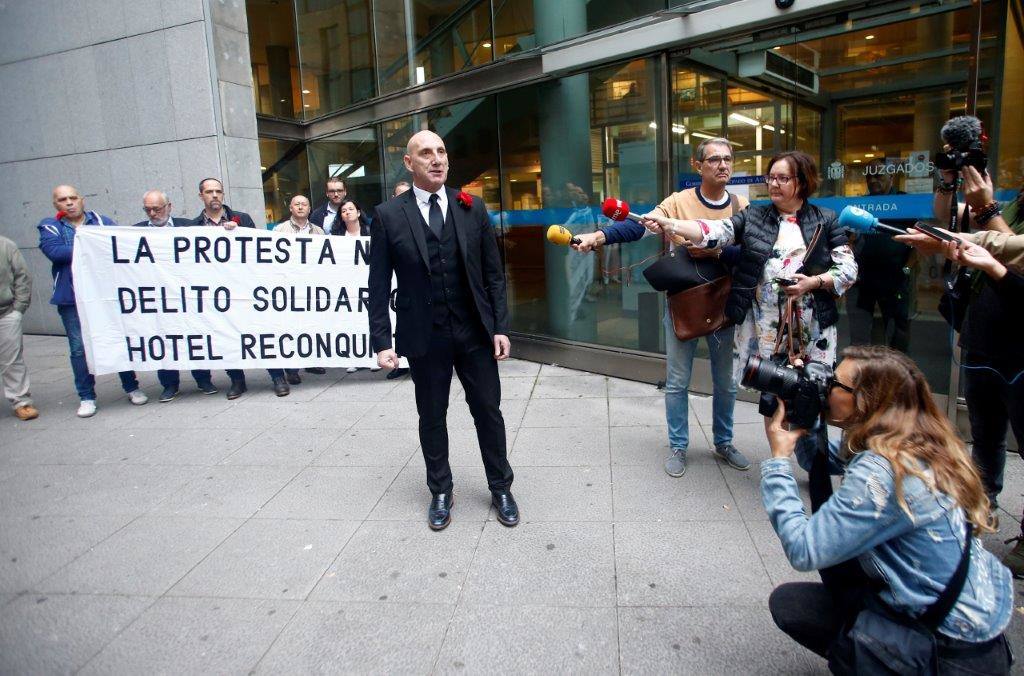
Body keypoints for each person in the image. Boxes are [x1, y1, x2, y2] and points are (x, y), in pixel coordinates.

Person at [762, 345, 1013, 673]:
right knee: (796, 604)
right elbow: (818, 461)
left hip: (952, 652)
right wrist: (808, 414)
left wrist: (778, 461)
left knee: (792, 606)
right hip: (976, 628)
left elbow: (803, 548)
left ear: (866, 400)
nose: (826, 386)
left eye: (834, 383)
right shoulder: (918, 442)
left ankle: (892, 661)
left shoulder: (887, 470)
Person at [572, 137, 750, 476]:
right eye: (714, 159)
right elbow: (638, 227)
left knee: (725, 381)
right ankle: (679, 446)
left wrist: (712, 250)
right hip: (685, 301)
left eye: (728, 158)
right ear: (699, 166)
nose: (723, 165)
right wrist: (597, 237)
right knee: (677, 379)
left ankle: (724, 442)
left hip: (723, 302)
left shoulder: (741, 205)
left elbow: (750, 252)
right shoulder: (679, 201)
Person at [368, 130, 518, 531]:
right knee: (431, 415)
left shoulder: (472, 207)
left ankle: (501, 486)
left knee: (488, 410)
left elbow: (493, 275)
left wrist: (500, 326)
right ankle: (440, 490)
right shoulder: (387, 215)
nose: (436, 159)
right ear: (409, 162)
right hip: (425, 335)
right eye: (426, 153)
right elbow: (378, 285)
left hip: (474, 332)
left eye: (441, 152)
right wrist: (382, 342)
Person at [641, 151, 858, 426]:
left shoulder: (826, 220)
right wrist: (671, 223)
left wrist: (813, 282)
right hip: (766, 328)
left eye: (783, 178)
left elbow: (848, 269)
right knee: (772, 397)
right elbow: (716, 230)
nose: (774, 184)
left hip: (812, 326)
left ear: (802, 182)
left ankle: (807, 458)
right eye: (771, 178)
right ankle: (777, 461)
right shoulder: (754, 216)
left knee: (812, 395)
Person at [38, 185, 150, 417]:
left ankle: (131, 387)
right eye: (62, 199)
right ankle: (86, 396)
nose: (69, 203)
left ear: (82, 199)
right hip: (72, 299)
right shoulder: (50, 226)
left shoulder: (101, 221)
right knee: (79, 348)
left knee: (119, 339)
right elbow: (55, 253)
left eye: (73, 198)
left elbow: (118, 245)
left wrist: (92, 246)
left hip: (106, 295)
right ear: (55, 204)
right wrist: (93, 246)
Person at [190, 178, 287, 398]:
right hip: (217, 293)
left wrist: (240, 232)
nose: (214, 195)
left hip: (246, 290)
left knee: (262, 332)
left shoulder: (242, 219)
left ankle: (277, 376)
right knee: (227, 334)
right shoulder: (194, 227)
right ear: (201, 196)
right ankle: (237, 380)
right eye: (209, 192)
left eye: (218, 191)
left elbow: (257, 251)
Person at [134, 190, 219, 402]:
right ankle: (169, 384)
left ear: (169, 207)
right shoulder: (134, 233)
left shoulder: (189, 227)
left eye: (158, 208)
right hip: (159, 297)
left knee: (195, 335)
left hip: (189, 295)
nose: (153, 213)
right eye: (148, 210)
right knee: (163, 337)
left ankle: (203, 379)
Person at [846, 159, 915, 352]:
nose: (873, 180)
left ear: (891, 177)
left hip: (894, 278)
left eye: (879, 175)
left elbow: (918, 242)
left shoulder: (904, 202)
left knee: (897, 334)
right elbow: (848, 238)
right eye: (869, 176)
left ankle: (898, 376)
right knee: (859, 336)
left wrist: (907, 268)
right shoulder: (861, 205)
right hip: (863, 281)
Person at [274, 194, 327, 380]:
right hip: (289, 287)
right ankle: (292, 369)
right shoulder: (280, 230)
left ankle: (311, 361)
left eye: (304, 204)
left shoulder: (319, 231)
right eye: (296, 204)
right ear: (290, 208)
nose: (300, 207)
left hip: (312, 287)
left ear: (309, 208)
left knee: (311, 325)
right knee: (291, 327)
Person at [333, 199, 379, 374]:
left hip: (368, 281)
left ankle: (373, 356)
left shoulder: (369, 231)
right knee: (352, 321)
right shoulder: (336, 236)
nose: (347, 212)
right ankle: (355, 358)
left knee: (371, 319)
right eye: (343, 211)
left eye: (351, 209)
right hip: (347, 284)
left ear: (359, 212)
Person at [0, 235, 37, 420]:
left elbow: (22, 276)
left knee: (12, 360)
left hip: (6, 313)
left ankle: (21, 402)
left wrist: (18, 308)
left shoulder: (6, 245)